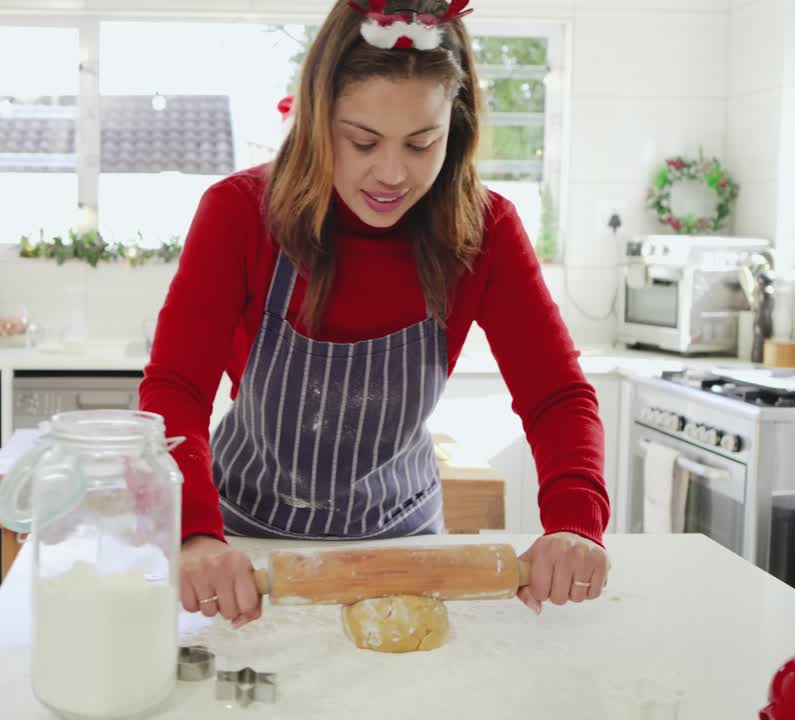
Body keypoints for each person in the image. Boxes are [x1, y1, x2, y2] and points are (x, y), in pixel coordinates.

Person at [139, 0, 610, 628]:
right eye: (362, 141)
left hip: (405, 549)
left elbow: (556, 395)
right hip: (245, 553)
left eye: (422, 143)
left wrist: (576, 522)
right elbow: (177, 388)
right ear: (315, 120)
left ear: (456, 126)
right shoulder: (239, 213)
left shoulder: (486, 229)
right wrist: (194, 532)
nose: (391, 173)